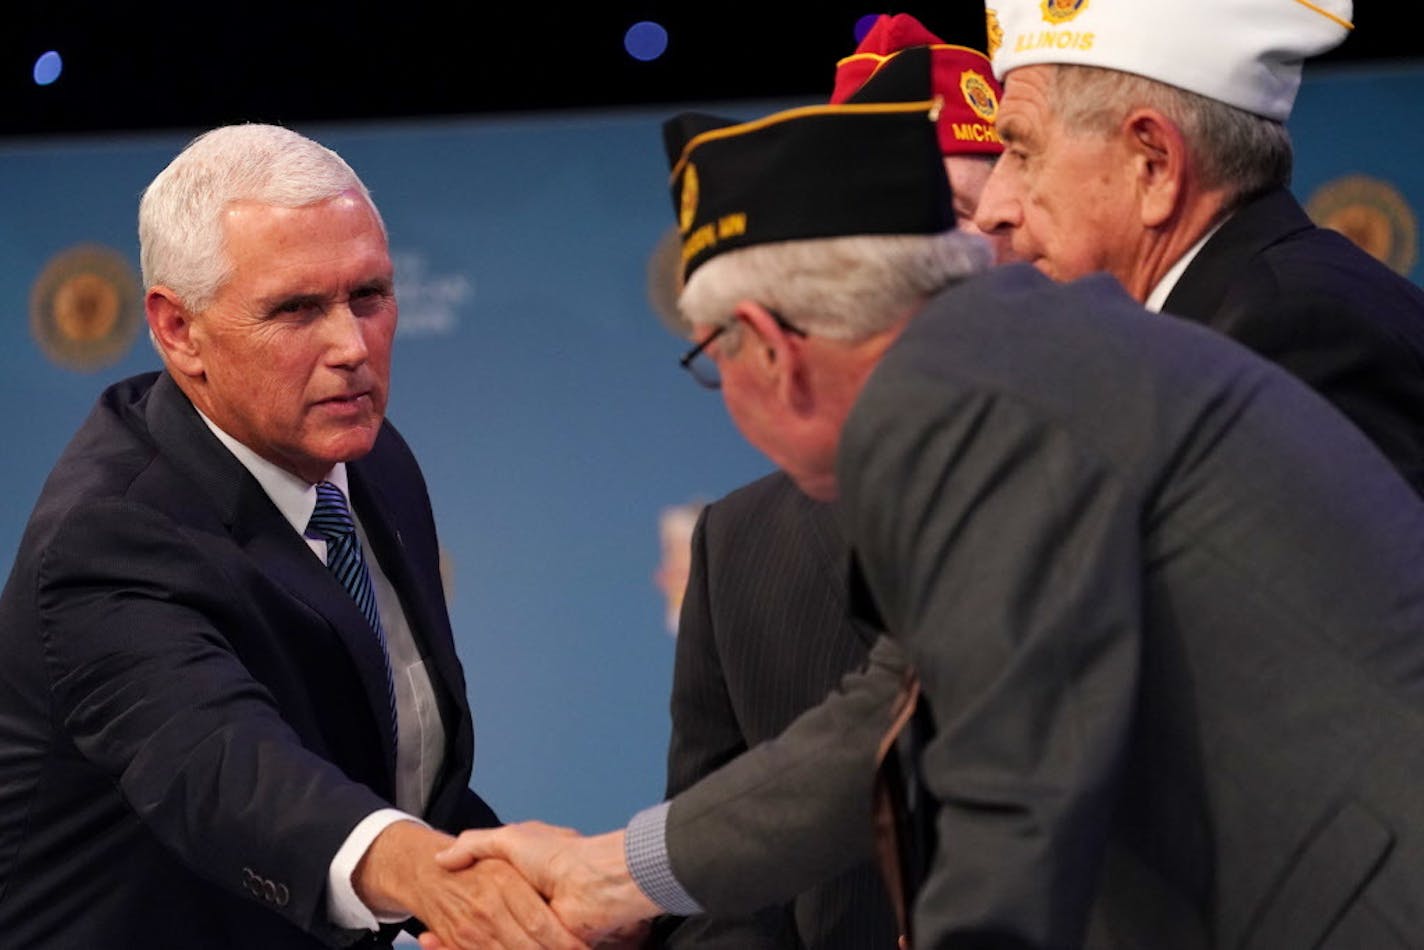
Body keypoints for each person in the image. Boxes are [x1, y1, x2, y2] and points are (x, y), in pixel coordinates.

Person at [435, 35, 1424, 950]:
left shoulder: (970, 408)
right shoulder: (1014, 363)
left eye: (709, 356)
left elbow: (1008, 804)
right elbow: (898, 710)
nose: (1003, 206)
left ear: (770, 350)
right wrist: (613, 871)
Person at [0, 124, 583, 950]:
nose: (351, 348)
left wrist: (538, 891)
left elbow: (399, 779)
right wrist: (434, 880)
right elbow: (227, 770)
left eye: (370, 296)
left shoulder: (371, 463)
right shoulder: (108, 536)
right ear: (178, 331)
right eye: (296, 309)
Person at [658, 16, 1007, 950]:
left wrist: (608, 875)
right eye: (915, 234)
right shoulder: (739, 546)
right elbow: (723, 901)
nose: (952, 265)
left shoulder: (1097, 461)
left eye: (969, 222)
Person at [974, 0, 1424, 492]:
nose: (992, 207)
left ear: (1155, 166)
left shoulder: (1287, 339)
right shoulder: (1228, 319)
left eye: (1022, 152)